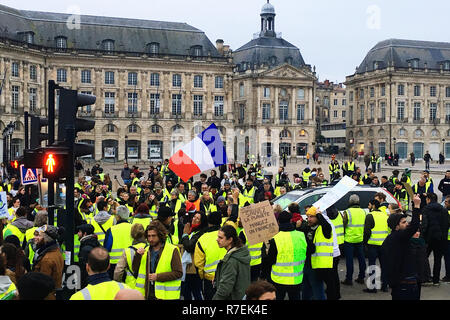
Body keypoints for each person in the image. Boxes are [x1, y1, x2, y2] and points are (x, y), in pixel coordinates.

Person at [382, 194, 421, 300]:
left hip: (397, 283)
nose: (407, 224)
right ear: (396, 226)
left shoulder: (389, 240)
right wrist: (416, 206)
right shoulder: (399, 236)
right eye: (404, 222)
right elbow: (414, 226)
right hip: (405, 283)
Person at [132, 221, 183, 300]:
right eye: (148, 236)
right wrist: (137, 256)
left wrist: (158, 277)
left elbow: (178, 273)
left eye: (153, 236)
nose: (150, 239)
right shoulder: (145, 251)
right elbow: (135, 270)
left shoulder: (172, 250)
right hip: (148, 294)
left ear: (160, 235)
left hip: (166, 296)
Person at [263, 211, 306, 300]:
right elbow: (309, 251)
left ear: (278, 222)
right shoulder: (301, 235)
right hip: (296, 278)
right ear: (290, 220)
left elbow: (271, 260)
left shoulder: (276, 239)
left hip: (279, 279)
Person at [305, 207, 339, 300]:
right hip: (315, 264)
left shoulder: (324, 228)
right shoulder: (311, 228)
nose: (309, 219)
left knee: (330, 289)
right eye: (308, 217)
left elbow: (326, 227)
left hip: (325, 265)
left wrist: (319, 215)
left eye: (312, 217)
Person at [212, 225, 250, 300]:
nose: (217, 239)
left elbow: (225, 289)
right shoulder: (240, 253)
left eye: (220, 238)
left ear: (230, 240)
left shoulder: (231, 261)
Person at [194, 211, 226, 300]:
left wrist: (202, 276)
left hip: (209, 280)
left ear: (209, 222)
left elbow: (198, 263)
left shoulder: (203, 238)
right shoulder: (227, 235)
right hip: (227, 277)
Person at [421, 193, 449, 286]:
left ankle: (424, 277)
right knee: (438, 259)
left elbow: (424, 224)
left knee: (424, 258)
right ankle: (436, 280)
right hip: (440, 238)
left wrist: (422, 236)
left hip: (428, 238)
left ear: (428, 199)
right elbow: (447, 224)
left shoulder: (426, 209)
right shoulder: (443, 210)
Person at [180, 211, 209, 300]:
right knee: (187, 291)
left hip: (195, 268)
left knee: (195, 292)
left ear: (202, 222)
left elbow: (189, 246)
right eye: (194, 217)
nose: (194, 219)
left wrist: (185, 234)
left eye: (197, 218)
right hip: (189, 267)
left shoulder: (200, 233)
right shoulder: (193, 230)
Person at [113, 223, 148, 293]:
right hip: (146, 287)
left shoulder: (127, 251)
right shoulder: (149, 249)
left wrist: (118, 283)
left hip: (130, 287)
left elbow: (118, 271)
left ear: (132, 235)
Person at [363, 199, 389, 293]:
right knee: (384, 265)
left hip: (373, 244)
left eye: (369, 205)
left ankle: (372, 287)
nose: (368, 207)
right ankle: (384, 285)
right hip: (384, 244)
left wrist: (365, 242)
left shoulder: (370, 216)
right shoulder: (384, 215)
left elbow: (367, 231)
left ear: (373, 206)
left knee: (372, 265)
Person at [341, 194, 366, 286]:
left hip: (349, 239)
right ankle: (361, 277)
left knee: (349, 260)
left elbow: (343, 225)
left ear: (350, 202)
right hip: (360, 238)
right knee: (361, 259)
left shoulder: (347, 212)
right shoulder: (363, 211)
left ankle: (349, 279)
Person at [104, 205, 133, 278]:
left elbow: (107, 248)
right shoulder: (133, 228)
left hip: (115, 263)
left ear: (118, 217)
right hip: (130, 261)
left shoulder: (111, 230)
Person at [32, 225, 64, 291]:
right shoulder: (56, 250)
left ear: (47, 239)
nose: (35, 238)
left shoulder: (46, 259)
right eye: (35, 235)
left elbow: (43, 284)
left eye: (39, 235)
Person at [77, 224, 101, 289]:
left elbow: (84, 270)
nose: (77, 234)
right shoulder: (95, 243)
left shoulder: (86, 249)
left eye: (79, 232)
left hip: (88, 282)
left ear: (85, 234)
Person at [442, 195, 450, 282]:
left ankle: (448, 276)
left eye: (446, 202)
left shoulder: (446, 213)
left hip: (447, 239)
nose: (445, 202)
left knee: (447, 258)